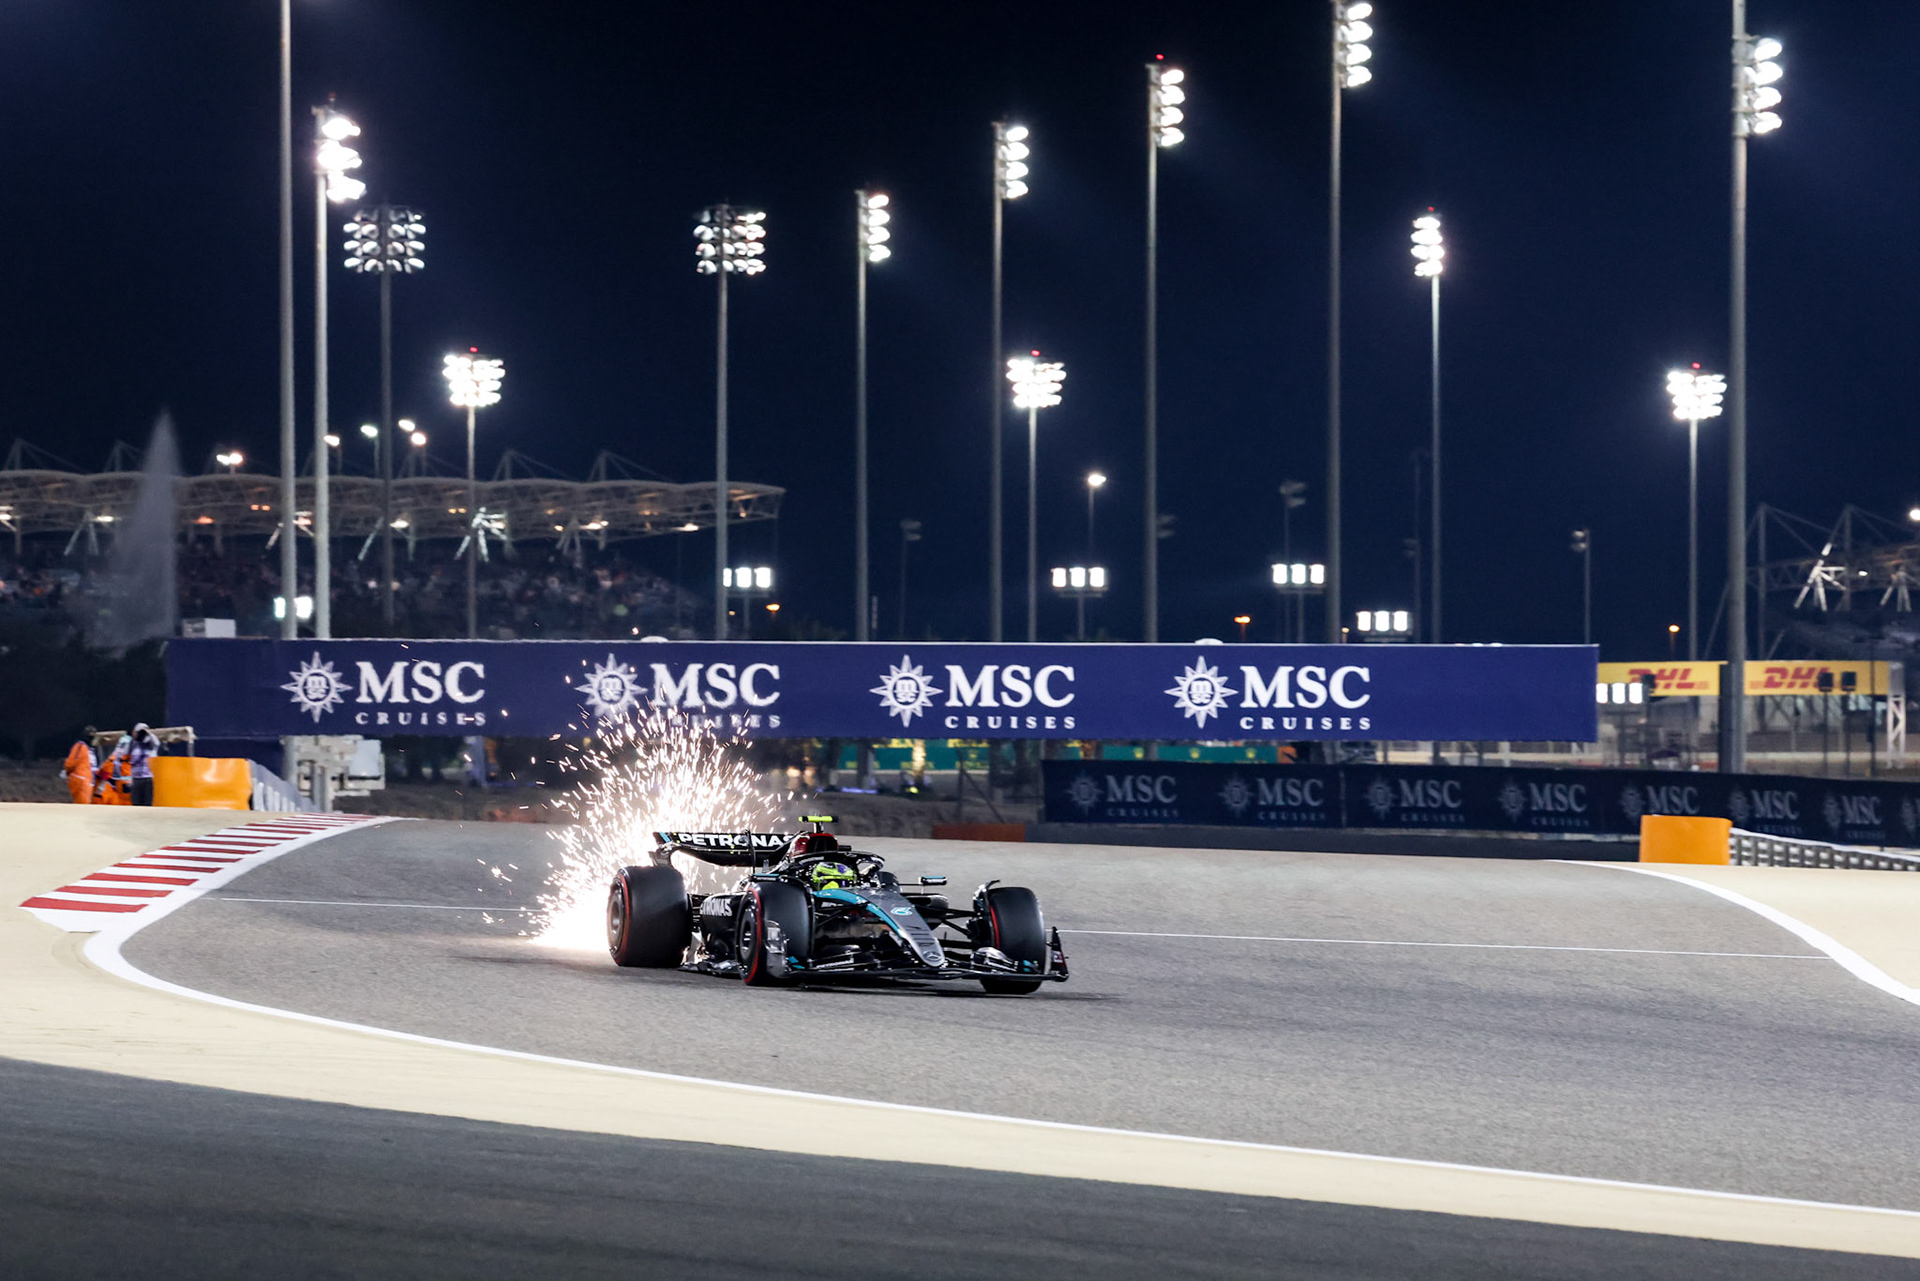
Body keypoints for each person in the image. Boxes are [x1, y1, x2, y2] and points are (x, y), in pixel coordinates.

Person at [108, 723, 161, 807]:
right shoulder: (132, 744)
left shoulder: (151, 744)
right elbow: (122, 754)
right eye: (139, 732)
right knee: (136, 805)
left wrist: (147, 733)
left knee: (148, 805)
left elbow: (157, 742)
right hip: (136, 779)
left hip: (148, 778)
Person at [62, 727, 99, 805]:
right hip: (81, 779)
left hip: (87, 779)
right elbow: (70, 763)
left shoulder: (88, 748)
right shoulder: (80, 746)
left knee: (84, 803)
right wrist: (67, 771)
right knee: (83, 805)